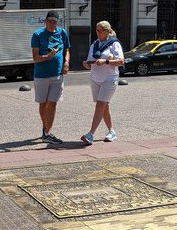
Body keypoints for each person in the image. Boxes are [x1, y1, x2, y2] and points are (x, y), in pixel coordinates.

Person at [80, 21, 124, 145]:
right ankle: (112, 131)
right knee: (104, 106)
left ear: (108, 31)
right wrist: (87, 64)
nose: (99, 33)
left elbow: (121, 62)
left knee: (100, 105)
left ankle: (90, 134)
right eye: (97, 30)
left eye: (101, 30)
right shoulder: (94, 44)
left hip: (109, 79)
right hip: (95, 79)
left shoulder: (114, 44)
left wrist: (106, 62)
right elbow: (91, 63)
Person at [31, 10, 71, 144]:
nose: (51, 25)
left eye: (54, 22)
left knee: (52, 103)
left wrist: (66, 62)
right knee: (43, 103)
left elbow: (66, 50)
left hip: (57, 75)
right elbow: (35, 58)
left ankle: (47, 132)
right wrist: (47, 57)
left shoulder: (62, 33)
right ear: (45, 21)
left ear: (57, 22)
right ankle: (45, 128)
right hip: (41, 75)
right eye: (49, 22)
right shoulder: (37, 35)